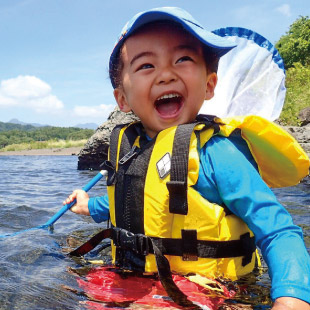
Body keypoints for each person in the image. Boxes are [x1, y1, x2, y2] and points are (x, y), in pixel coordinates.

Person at [63, 7, 310, 310]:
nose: (166, 74)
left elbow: (278, 230)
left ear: (209, 85)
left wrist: (292, 296)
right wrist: (87, 205)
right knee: (71, 285)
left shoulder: (217, 153)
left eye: (183, 60)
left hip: (211, 284)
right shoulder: (129, 152)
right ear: (122, 99)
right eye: (146, 66)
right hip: (139, 274)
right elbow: (126, 203)